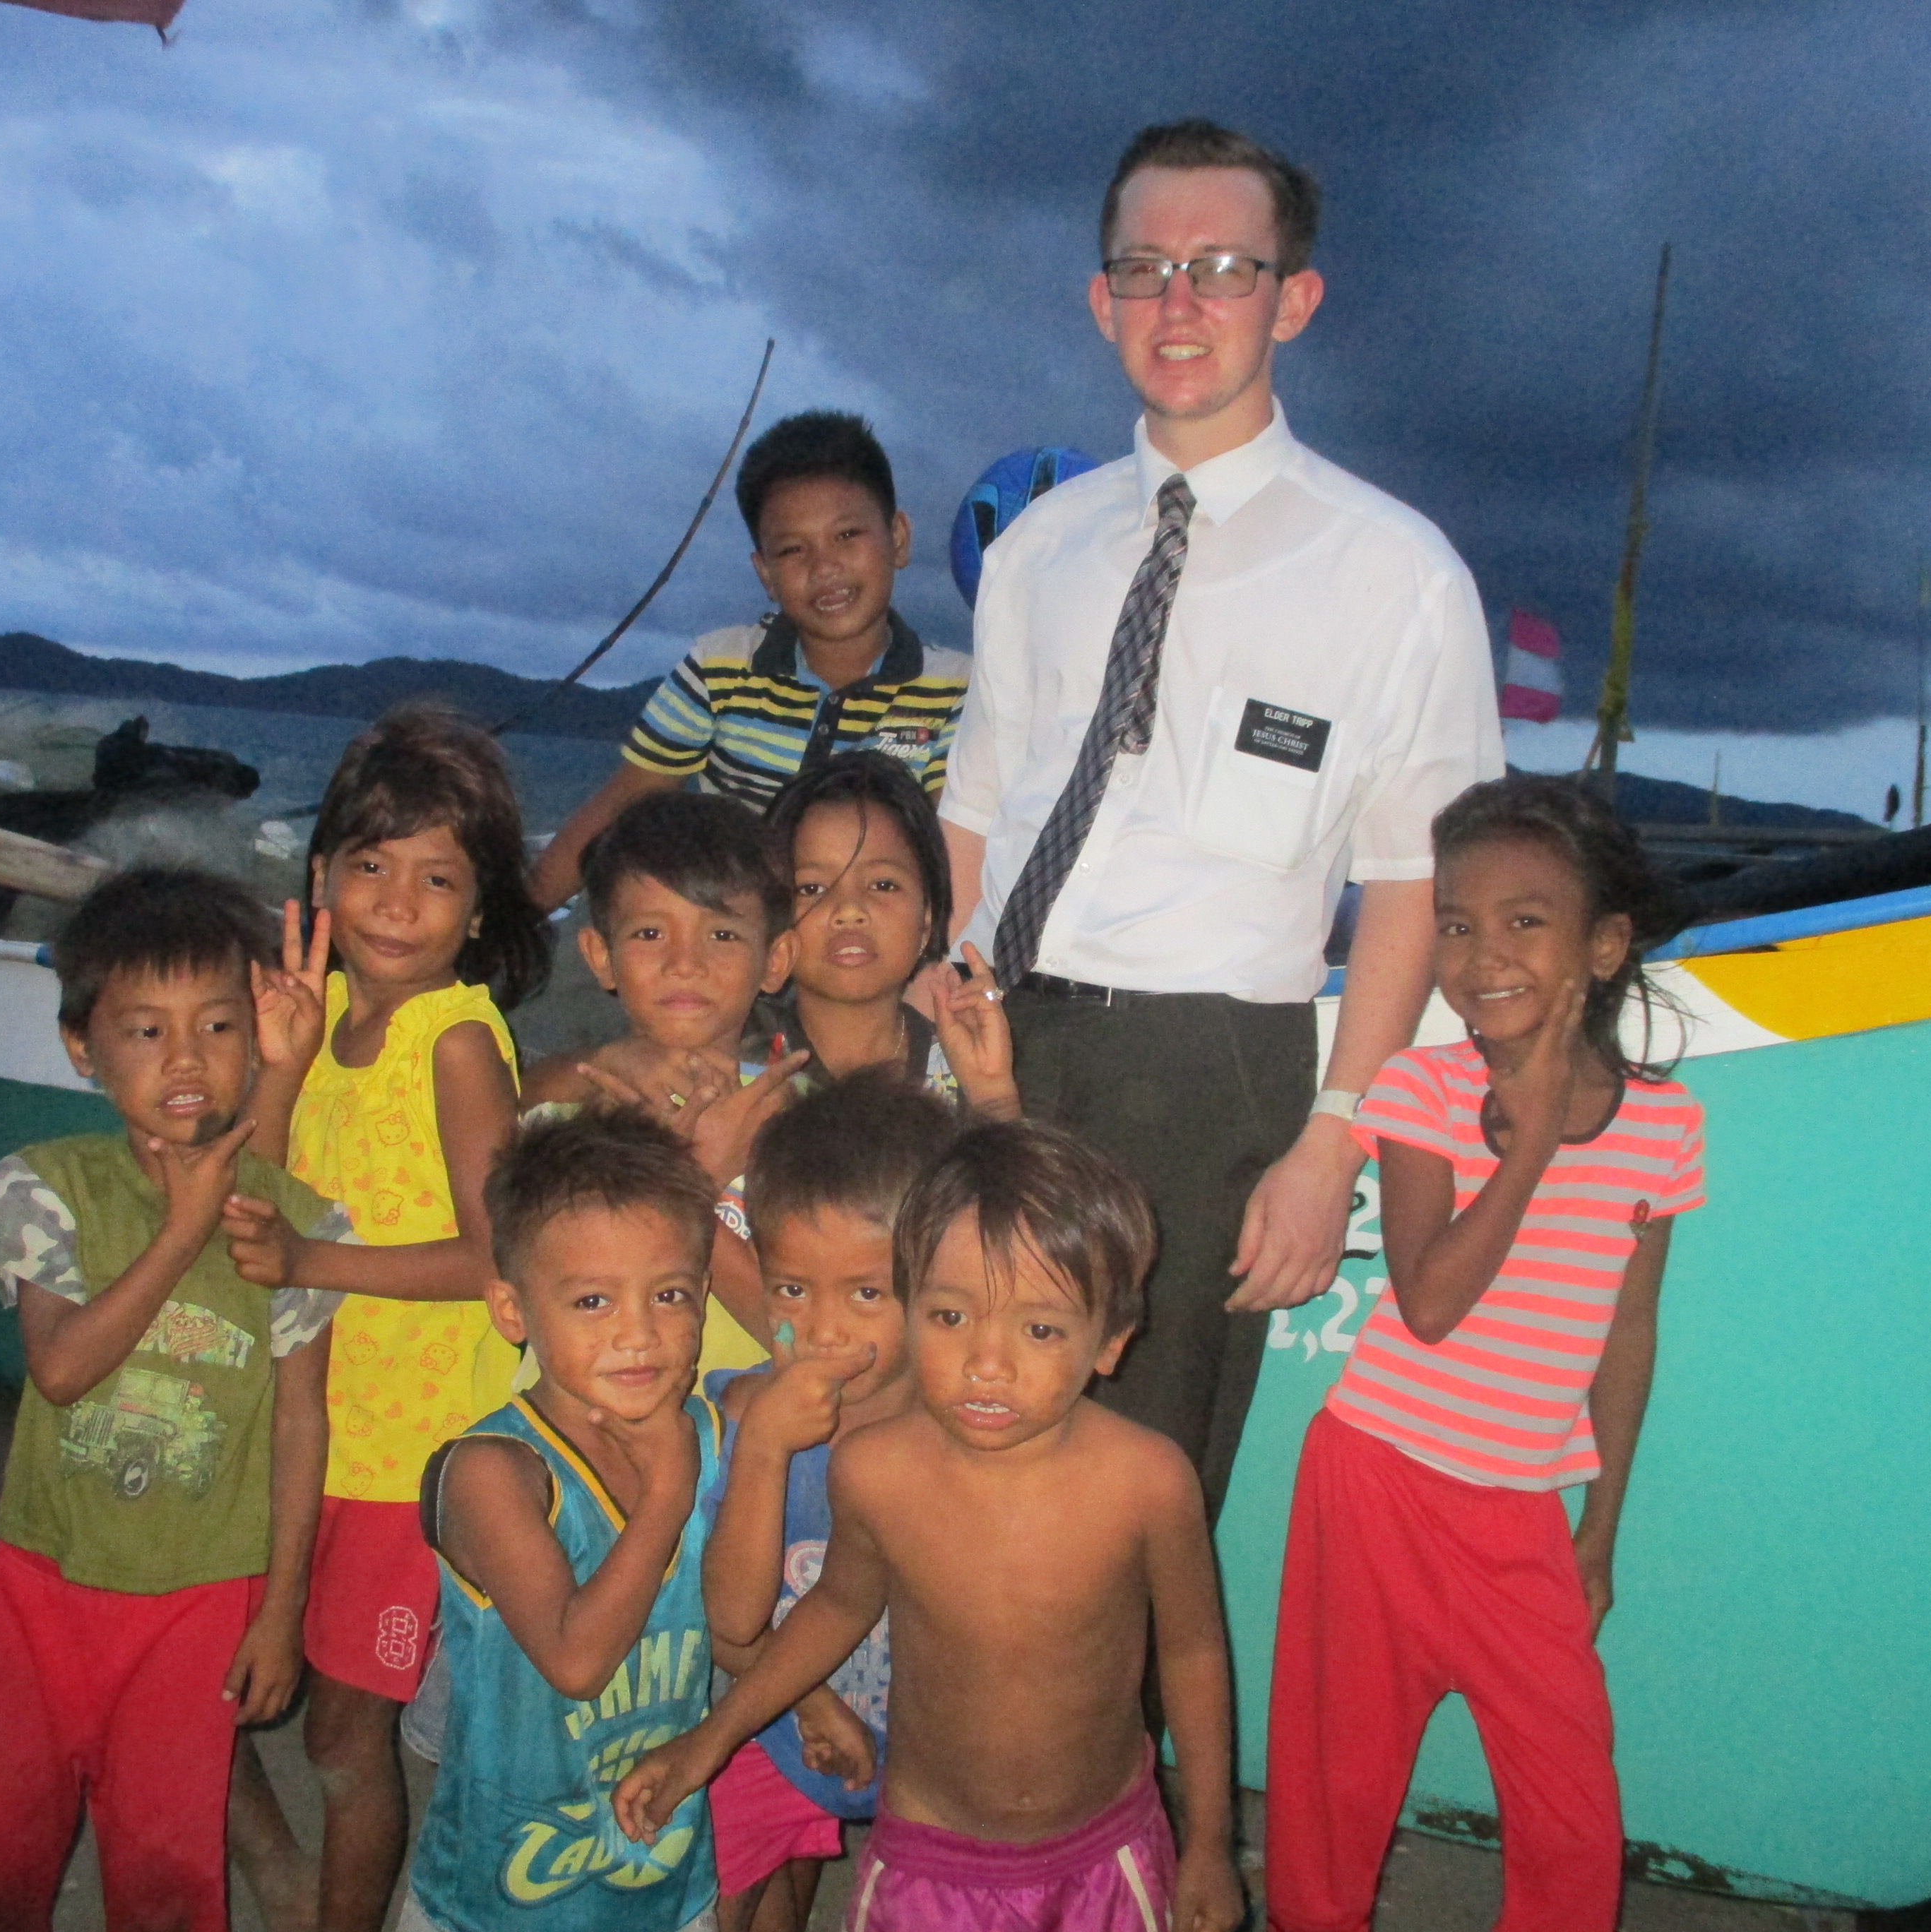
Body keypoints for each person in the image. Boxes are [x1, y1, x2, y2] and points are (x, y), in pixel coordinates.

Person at [937, 117, 1505, 1510]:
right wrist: (940, 1030)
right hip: (1000, 1038)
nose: (1178, 304)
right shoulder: (1038, 553)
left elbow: (1416, 887)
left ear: (1292, 298)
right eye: (1146, 268)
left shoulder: (1396, 573)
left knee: (1131, 1494)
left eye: (1223, 267)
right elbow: (974, 811)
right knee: (952, 1473)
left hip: (1207, 1076)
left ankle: (1120, 1741)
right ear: (1102, 300)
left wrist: (1335, 1140)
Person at [613, 1120, 1243, 1932]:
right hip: (929, 1858)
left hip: (1106, 1849)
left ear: (1111, 1341)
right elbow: (834, 1611)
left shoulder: (1149, 1483)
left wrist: (1211, 1842)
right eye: (950, 1318)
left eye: (1041, 1329)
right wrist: (713, 1738)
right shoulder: (877, 1472)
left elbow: (1193, 1652)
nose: (987, 1362)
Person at [1265, 775, 1705, 1932]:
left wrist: (1597, 1530)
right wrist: (1527, 1141)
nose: (1479, 951)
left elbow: (1626, 1333)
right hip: (1374, 1490)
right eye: (1454, 922)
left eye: (1524, 919)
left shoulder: (1663, 1127)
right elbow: (1428, 1302)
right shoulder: (1419, 1090)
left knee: (1569, 1816)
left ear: (1603, 944)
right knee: (1333, 1790)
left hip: (1518, 1516)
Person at [0, 866, 345, 1932]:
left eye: (216, 1025)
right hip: (42, 1576)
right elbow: (63, 1368)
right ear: (84, 1046)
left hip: (201, 1595)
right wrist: (180, 1228)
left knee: (167, 1868)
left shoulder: (295, 1223)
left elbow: (303, 1422)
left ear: (254, 1039)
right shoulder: (46, 1186)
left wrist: (285, 1609)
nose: (186, 1060)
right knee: (2, 1845)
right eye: (145, 1030)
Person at [219, 703, 555, 1932]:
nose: (397, 903)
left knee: (347, 1735)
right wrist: (279, 1060)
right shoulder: (327, 1018)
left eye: (436, 879)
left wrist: (319, 1258)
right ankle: (283, 1881)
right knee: (227, 1678)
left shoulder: (455, 1037)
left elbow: (494, 1257)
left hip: (405, 1453)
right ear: (320, 877)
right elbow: (253, 1193)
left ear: (479, 911)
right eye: (370, 867)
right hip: (302, 1423)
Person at [401, 1109, 730, 1932]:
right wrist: (667, 1495)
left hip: (664, 1877)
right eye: (592, 1300)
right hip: (499, 1896)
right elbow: (575, 1660)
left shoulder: (714, 1430)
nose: (638, 1333)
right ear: (512, 1312)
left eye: (670, 1295)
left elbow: (730, 1620)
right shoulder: (496, 1474)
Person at [699, 1073, 961, 1931]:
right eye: (790, 1290)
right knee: (727, 1898)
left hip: (924, 1759)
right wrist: (810, 1703)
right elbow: (727, 1625)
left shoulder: (969, 1438)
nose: (821, 1331)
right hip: (762, 1734)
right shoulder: (740, 1417)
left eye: (866, 1293)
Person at [530, 411, 970, 910]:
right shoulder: (720, 667)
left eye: (847, 535)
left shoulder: (956, 689)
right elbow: (624, 803)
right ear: (764, 571)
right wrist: (520, 916)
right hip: (741, 953)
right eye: (791, 550)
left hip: (870, 956)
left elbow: (952, 859)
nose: (824, 567)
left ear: (898, 538)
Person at [525, 789, 808, 1366]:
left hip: (741, 1439)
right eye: (650, 934)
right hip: (580, 1433)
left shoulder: (803, 1129)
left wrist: (695, 1194)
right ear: (600, 956)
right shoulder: (572, 1114)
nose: (685, 962)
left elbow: (796, 1340)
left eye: (722, 935)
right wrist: (601, 1066)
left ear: (775, 960)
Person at [758, 751, 1017, 1116]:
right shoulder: (726, 1057)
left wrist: (994, 1098)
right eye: (812, 888)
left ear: (926, 921)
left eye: (882, 884)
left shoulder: (967, 1067)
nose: (849, 911)